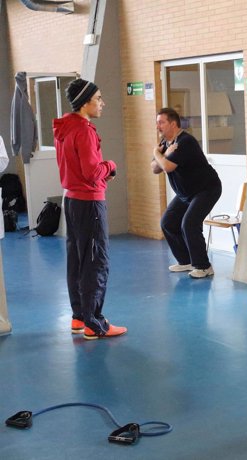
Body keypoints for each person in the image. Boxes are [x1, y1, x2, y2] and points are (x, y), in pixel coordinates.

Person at [53, 78, 127, 339]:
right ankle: (94, 323)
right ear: (85, 103)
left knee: (77, 259)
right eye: (98, 99)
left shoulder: (65, 127)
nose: (102, 103)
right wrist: (110, 165)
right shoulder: (84, 130)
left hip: (72, 200)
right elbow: (92, 171)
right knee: (96, 261)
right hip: (90, 202)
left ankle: (79, 317)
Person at [152, 108, 222, 278]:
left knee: (189, 223)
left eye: (161, 122)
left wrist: (156, 154)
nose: (157, 126)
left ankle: (204, 266)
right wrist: (164, 154)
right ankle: (186, 261)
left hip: (206, 189)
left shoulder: (185, 142)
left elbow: (166, 167)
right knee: (168, 222)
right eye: (157, 122)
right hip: (186, 194)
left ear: (173, 124)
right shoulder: (165, 143)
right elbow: (154, 168)